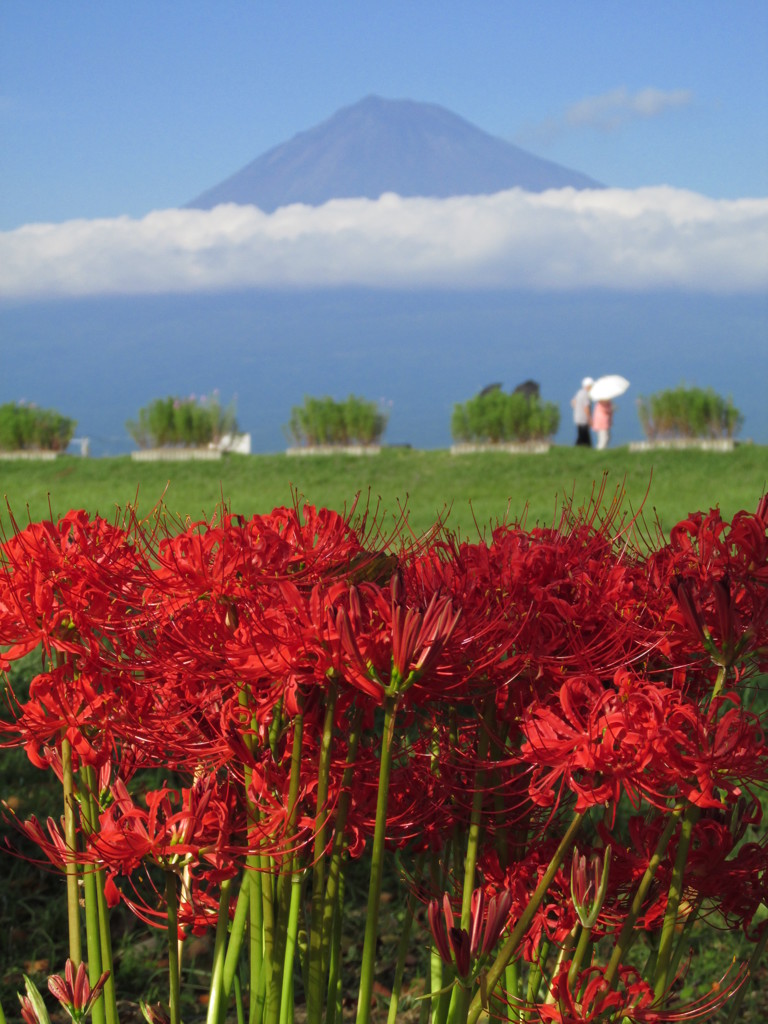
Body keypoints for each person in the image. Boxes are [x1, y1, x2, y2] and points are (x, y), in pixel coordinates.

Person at [571, 377, 594, 446]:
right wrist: (590, 419)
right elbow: (586, 407)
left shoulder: (579, 392)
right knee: (584, 437)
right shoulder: (586, 394)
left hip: (577, 417)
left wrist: (577, 409)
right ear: (588, 386)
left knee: (582, 436)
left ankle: (581, 449)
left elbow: (573, 402)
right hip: (583, 419)